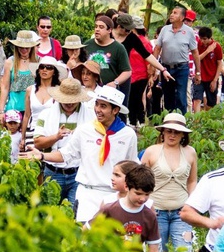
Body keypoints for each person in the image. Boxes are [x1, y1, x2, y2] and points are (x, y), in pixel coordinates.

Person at [23, 86, 138, 222]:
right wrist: (42, 156)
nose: (97, 110)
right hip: (87, 193)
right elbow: (66, 154)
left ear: (115, 110)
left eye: (103, 106)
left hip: (114, 194)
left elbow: (132, 166)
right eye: (96, 104)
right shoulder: (85, 130)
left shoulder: (127, 135)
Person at [141, 113, 197, 252]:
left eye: (177, 132)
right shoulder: (151, 151)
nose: (172, 135)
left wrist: (192, 204)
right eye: (169, 131)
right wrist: (146, 205)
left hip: (181, 211)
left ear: (183, 134)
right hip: (157, 211)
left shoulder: (190, 152)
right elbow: (141, 181)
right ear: (163, 132)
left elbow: (192, 180)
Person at [34, 78, 95, 205]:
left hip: (78, 173)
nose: (69, 104)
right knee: (50, 212)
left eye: (72, 100)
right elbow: (38, 142)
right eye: (66, 100)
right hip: (53, 171)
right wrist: (56, 137)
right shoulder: (45, 115)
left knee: (75, 212)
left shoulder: (91, 117)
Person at [113, 14, 174, 124]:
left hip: (124, 75)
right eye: (127, 29)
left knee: (123, 104)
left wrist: (163, 69)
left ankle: (121, 127)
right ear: (119, 27)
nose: (129, 32)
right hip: (110, 74)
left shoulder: (131, 37)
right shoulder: (108, 35)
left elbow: (146, 55)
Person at [96, 164, 162, 252]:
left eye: (147, 194)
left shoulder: (149, 216)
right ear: (127, 187)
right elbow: (88, 231)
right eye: (138, 193)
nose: (142, 199)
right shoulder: (109, 209)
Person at [153, 6, 201, 114]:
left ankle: (181, 121)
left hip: (182, 68)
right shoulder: (165, 29)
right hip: (166, 68)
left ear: (182, 17)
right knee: (168, 97)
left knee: (181, 96)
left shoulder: (189, 32)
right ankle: (169, 121)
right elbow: (157, 48)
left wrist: (198, 72)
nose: (171, 14)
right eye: (172, 12)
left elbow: (195, 53)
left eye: (175, 13)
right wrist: (153, 66)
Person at [20, 56, 67, 151]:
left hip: (51, 131)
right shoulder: (30, 90)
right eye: (42, 67)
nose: (44, 70)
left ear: (54, 72)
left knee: (49, 161)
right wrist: (22, 138)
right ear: (38, 70)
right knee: (31, 162)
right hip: (32, 131)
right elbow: (27, 115)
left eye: (49, 67)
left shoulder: (59, 91)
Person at [0, 30, 39, 125]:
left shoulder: (38, 62)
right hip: (14, 107)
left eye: (27, 47)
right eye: (21, 47)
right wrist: (1, 111)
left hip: (32, 107)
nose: (24, 50)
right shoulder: (10, 62)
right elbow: (4, 87)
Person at [84, 15, 131, 92]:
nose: (97, 29)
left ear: (109, 30)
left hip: (109, 92)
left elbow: (127, 71)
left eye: (101, 27)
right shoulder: (87, 45)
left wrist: (115, 83)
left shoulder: (118, 48)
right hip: (89, 90)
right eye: (96, 27)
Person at [193, 27, 223, 113]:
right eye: (201, 38)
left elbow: (219, 63)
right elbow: (196, 59)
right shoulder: (198, 44)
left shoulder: (217, 47)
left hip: (211, 78)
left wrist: (215, 80)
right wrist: (207, 51)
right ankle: (196, 121)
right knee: (197, 99)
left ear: (210, 38)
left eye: (205, 39)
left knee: (211, 103)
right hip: (199, 76)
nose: (202, 41)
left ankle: (208, 121)